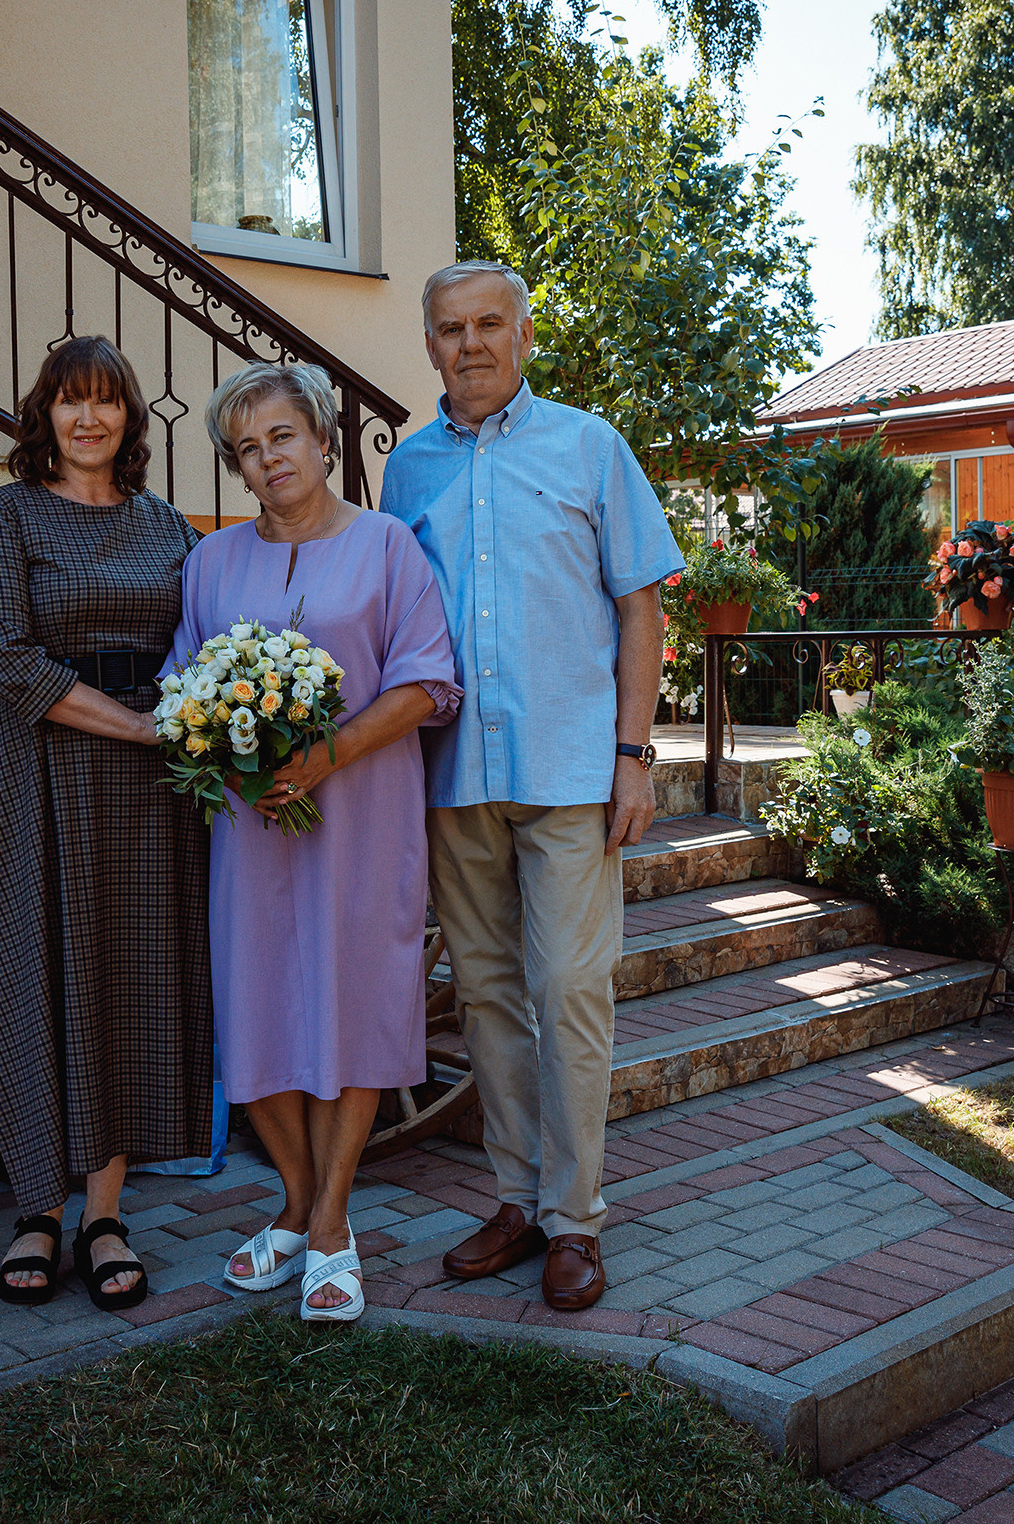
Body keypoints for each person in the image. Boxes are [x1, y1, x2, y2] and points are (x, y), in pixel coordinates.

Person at [377, 260, 680, 1313]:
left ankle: (577, 1219)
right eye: (450, 327)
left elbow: (641, 606)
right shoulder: (405, 471)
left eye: (490, 324)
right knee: (490, 996)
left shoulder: (591, 447)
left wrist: (634, 754)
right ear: (428, 344)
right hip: (453, 776)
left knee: (570, 991)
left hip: (568, 772)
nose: (471, 344)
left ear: (525, 333)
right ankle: (514, 1200)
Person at [169, 362, 459, 1323]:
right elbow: (185, 688)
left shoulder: (387, 547)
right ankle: (293, 1202)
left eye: (281, 437)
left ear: (323, 440)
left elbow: (424, 683)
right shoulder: (210, 564)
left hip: (363, 817)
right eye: (247, 450)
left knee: (356, 1005)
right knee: (254, 1008)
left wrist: (325, 756)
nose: (266, 460)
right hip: (250, 828)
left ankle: (330, 1226)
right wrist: (225, 749)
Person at [0, 334, 212, 1313]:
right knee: (29, 977)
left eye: (107, 402)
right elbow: (9, 659)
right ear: (42, 414)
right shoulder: (1, 516)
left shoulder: (165, 520)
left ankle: (104, 1214)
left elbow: (196, 640)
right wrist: (139, 723)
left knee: (126, 986)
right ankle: (35, 1211)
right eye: (69, 401)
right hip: (38, 778)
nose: (88, 418)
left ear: (131, 418)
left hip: (148, 801)